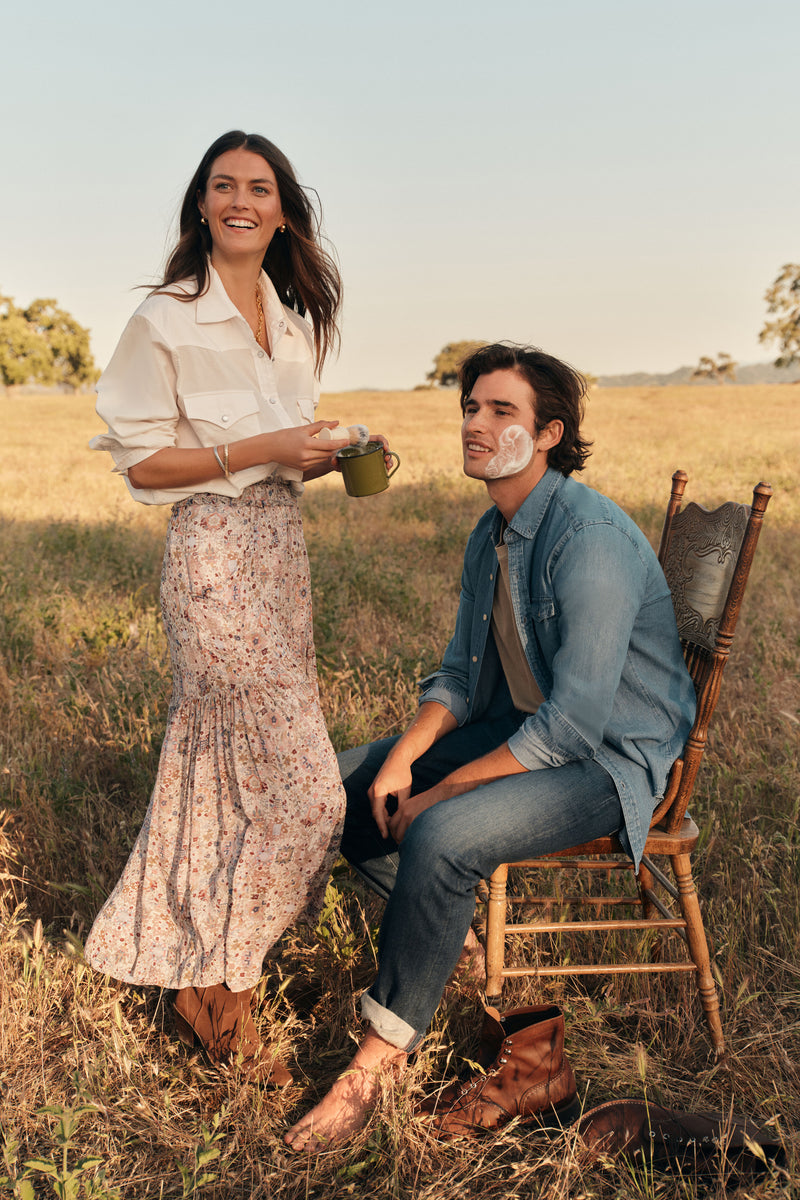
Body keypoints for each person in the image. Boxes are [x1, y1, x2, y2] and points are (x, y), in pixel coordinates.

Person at [285, 341, 696, 1147]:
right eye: (471, 407)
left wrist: (443, 790)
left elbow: (575, 724)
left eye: (500, 411)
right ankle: (466, 962)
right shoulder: (492, 533)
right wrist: (405, 757)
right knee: (333, 793)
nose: (476, 423)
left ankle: (373, 1069)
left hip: (610, 760)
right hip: (528, 733)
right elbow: (460, 677)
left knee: (438, 831)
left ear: (548, 433)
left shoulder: (588, 538)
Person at [85, 130, 360, 1085]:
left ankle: (199, 973)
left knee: (238, 776)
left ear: (284, 210)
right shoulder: (166, 317)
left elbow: (275, 447)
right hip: (210, 551)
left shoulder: (289, 318)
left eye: (261, 187)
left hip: (280, 553)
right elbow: (141, 462)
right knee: (309, 795)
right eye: (223, 185)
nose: (241, 200)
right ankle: (220, 985)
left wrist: (313, 451)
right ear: (201, 206)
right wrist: (258, 450)